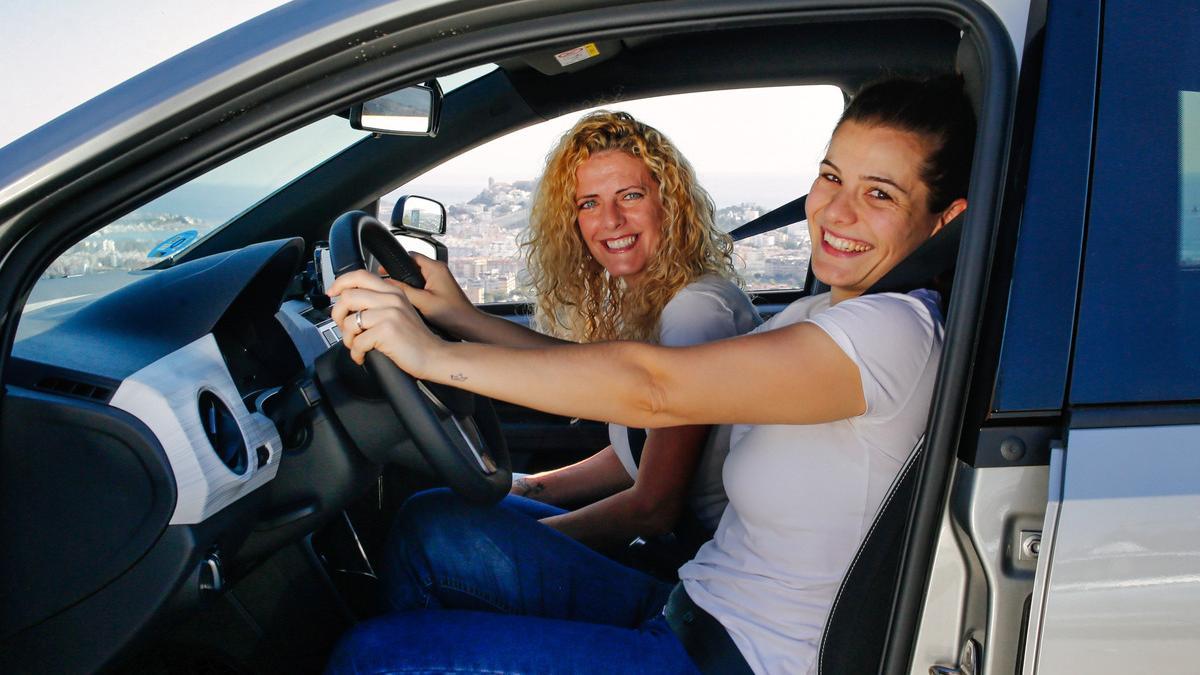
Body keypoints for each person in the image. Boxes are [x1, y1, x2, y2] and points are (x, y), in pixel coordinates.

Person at [326, 74, 974, 675]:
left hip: (737, 656)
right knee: (432, 525)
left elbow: (655, 389)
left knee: (372, 656)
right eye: (832, 177)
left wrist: (433, 355)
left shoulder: (893, 332)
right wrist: (459, 317)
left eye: (880, 194)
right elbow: (612, 384)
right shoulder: (818, 313)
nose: (837, 212)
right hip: (689, 605)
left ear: (945, 220)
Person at [346, 110, 761, 566]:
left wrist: (523, 546)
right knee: (435, 509)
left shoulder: (695, 312)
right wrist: (460, 317)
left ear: (670, 203)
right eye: (589, 204)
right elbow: (634, 447)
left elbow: (653, 507)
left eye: (630, 195)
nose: (611, 220)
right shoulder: (659, 300)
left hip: (690, 565)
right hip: (678, 549)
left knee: (434, 535)